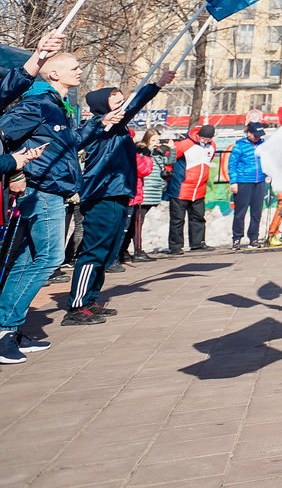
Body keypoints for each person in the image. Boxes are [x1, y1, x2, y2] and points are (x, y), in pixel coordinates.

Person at [64, 75, 172, 322]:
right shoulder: (97, 128)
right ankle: (77, 306)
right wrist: (102, 122)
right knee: (94, 251)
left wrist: (156, 85)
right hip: (101, 195)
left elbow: (135, 103)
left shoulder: (121, 127)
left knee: (108, 250)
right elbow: (82, 139)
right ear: (103, 108)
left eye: (123, 103)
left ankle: (90, 299)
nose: (123, 108)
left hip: (119, 193)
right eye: (116, 104)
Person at [0, 40, 84, 359]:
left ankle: (10, 327)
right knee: (48, 258)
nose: (79, 70)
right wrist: (17, 171)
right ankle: (5, 328)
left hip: (53, 188)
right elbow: (4, 133)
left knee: (32, 257)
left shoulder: (56, 105)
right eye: (72, 67)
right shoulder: (37, 103)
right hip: (40, 188)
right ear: (52, 73)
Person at [166, 124, 217, 254]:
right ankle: (175, 246)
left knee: (198, 217)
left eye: (208, 139)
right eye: (203, 138)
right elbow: (169, 157)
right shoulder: (185, 144)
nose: (205, 141)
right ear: (199, 135)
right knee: (177, 219)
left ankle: (197, 243)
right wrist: (168, 172)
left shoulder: (212, 146)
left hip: (199, 188)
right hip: (181, 187)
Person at [120, 130, 159, 265]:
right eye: (153, 140)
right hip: (133, 192)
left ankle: (122, 252)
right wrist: (147, 157)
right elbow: (144, 170)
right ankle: (124, 253)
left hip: (131, 191)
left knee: (129, 225)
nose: (157, 143)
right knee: (129, 225)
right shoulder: (135, 153)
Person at [227, 122, 267, 250]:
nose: (258, 138)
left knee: (257, 212)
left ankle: (254, 238)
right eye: (256, 135)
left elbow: (268, 160)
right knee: (240, 212)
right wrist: (233, 182)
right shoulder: (239, 146)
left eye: (259, 136)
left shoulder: (263, 145)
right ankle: (237, 238)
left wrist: (268, 173)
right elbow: (232, 165)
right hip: (243, 181)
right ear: (249, 133)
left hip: (259, 181)